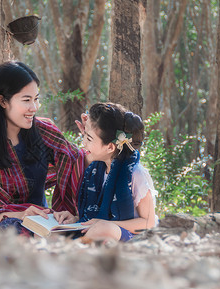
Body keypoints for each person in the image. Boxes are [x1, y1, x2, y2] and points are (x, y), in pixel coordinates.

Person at [0, 61, 85, 232]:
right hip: (5, 230)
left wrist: (92, 138)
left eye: (36, 99)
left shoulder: (44, 131)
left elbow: (75, 162)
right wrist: (19, 214)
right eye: (26, 100)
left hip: (45, 224)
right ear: (3, 101)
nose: (34, 108)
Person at [54, 103, 157, 242]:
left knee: (104, 230)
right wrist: (76, 219)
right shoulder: (94, 170)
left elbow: (148, 223)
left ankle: (68, 251)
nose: (83, 143)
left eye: (89, 138)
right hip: (99, 230)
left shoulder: (135, 173)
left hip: (130, 236)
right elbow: (95, 216)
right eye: (84, 135)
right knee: (52, 232)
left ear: (109, 147)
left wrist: (107, 224)